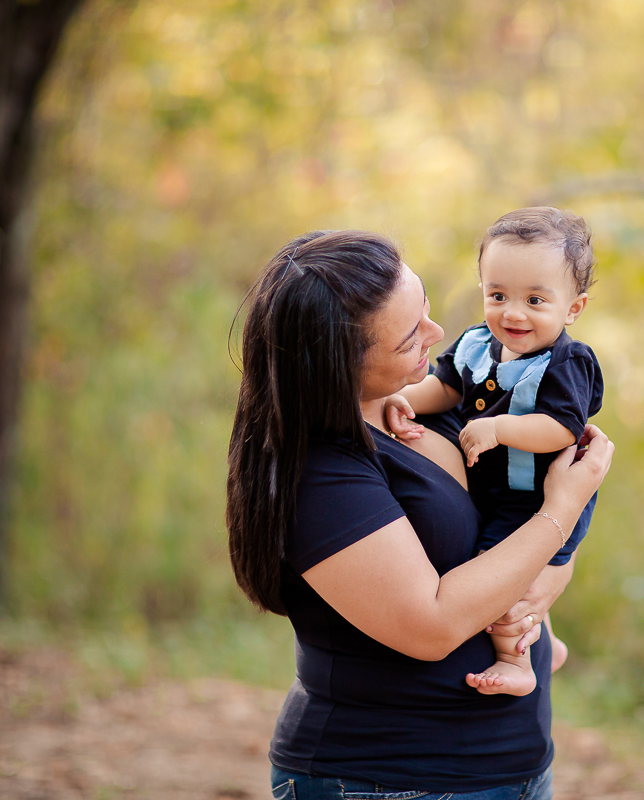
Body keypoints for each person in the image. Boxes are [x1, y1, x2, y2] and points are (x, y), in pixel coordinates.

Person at [227, 229, 613, 800]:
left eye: (426, 307)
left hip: (512, 767)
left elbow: (510, 514)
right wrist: (562, 510)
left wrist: (556, 567)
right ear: (340, 363)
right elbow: (430, 626)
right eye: (411, 337)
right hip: (389, 778)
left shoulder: (420, 406)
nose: (438, 336)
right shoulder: (321, 469)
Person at [384, 207, 603, 698]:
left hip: (535, 498)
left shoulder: (567, 362)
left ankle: (517, 661)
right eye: (498, 295)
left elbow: (562, 429)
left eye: (535, 299)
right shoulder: (476, 344)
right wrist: (401, 400)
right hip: (495, 488)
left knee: (506, 579)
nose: (513, 312)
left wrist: (500, 427)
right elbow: (444, 387)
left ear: (573, 308)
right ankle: (549, 641)